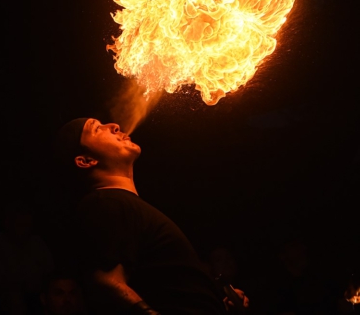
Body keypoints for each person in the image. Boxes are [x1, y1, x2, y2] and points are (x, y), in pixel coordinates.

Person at [54, 117, 249, 315]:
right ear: (86, 161)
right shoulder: (104, 202)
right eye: (96, 129)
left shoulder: (127, 205)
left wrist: (218, 302)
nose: (114, 126)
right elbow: (105, 282)